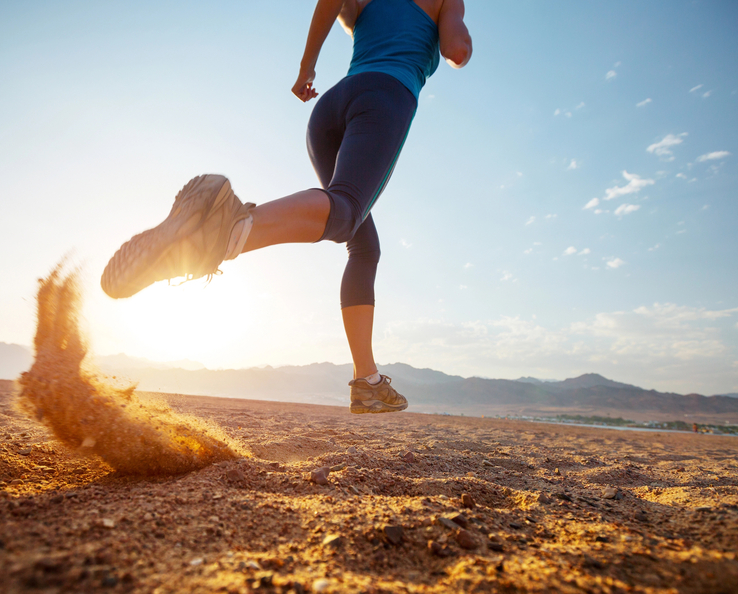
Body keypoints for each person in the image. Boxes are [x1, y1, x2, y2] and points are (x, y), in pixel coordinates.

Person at [101, 0, 472, 414]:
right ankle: (230, 226)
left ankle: (366, 380)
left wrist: (306, 67)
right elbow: (455, 49)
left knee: (364, 245)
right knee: (346, 210)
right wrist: (460, 39)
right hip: (385, 96)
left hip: (329, 110)